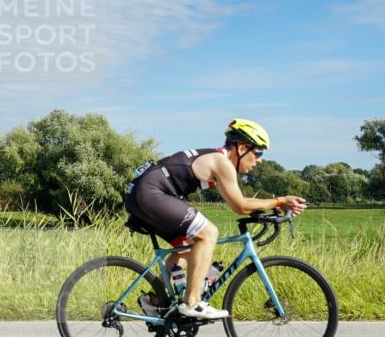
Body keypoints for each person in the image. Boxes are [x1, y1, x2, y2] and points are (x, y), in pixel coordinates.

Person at [123, 119, 307, 319]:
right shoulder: (222, 163)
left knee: (187, 248)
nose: (260, 160)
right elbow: (240, 206)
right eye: (258, 153)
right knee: (208, 233)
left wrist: (272, 206)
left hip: (140, 192)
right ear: (242, 148)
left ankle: (153, 301)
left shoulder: (218, 160)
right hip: (151, 192)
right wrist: (279, 201)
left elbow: (239, 202)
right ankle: (192, 302)